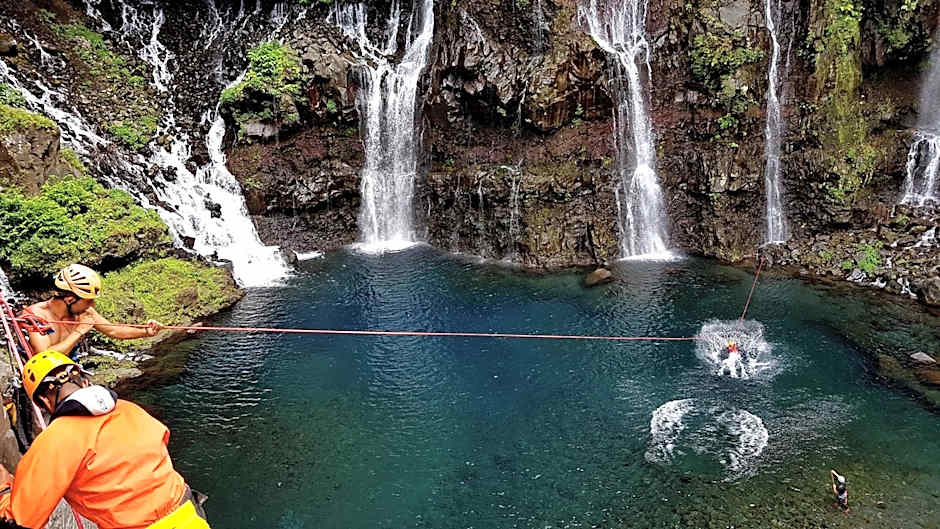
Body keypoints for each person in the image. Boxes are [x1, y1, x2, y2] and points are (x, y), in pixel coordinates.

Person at [0, 351, 210, 528]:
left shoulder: (56, 439)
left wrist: (4, 490)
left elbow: (21, 520)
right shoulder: (131, 409)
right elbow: (162, 441)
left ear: (44, 401)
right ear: (84, 381)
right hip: (189, 513)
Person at [20, 264, 163, 357]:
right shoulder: (35, 315)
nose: (92, 305)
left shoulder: (83, 311)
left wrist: (146, 332)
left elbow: (114, 331)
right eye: (89, 300)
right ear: (70, 299)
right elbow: (44, 356)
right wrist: (79, 331)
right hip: (42, 377)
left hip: (70, 370)